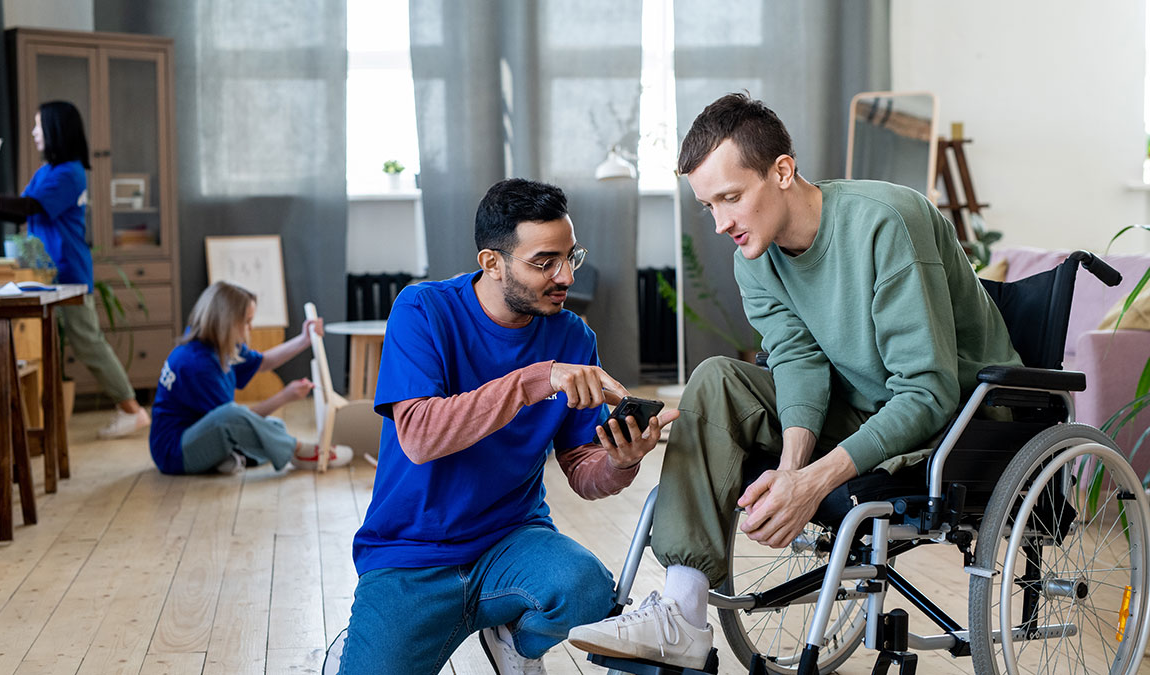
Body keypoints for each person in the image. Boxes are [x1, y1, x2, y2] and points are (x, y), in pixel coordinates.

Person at [567, 93, 1022, 668]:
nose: (721, 223)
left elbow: (927, 392)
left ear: (782, 171)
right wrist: (789, 471)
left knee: (841, 415)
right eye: (708, 205)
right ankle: (682, 616)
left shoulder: (887, 223)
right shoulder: (753, 257)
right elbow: (798, 363)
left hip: (960, 421)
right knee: (716, 379)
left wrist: (812, 483)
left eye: (731, 198)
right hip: (862, 405)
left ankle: (682, 616)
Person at [336, 178, 679, 675]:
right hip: (411, 556)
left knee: (586, 589)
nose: (564, 275)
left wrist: (620, 463)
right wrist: (537, 379)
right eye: (544, 262)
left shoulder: (574, 337)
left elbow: (582, 468)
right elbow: (419, 436)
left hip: (512, 539)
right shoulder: (422, 311)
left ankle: (514, 640)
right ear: (492, 263)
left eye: (570, 257)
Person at [0, 100, 151, 439]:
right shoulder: (46, 172)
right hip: (42, 274)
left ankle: (132, 409)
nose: (33, 132)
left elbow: (31, 206)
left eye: (38, 126)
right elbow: (18, 213)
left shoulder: (70, 173)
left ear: (56, 130)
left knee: (89, 342)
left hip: (68, 272)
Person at [149, 280, 348, 475]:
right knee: (255, 427)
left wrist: (303, 340)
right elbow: (232, 420)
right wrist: (285, 396)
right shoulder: (197, 365)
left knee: (274, 428)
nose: (251, 328)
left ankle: (232, 459)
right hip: (174, 454)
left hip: (197, 436)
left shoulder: (215, 344)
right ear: (226, 322)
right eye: (247, 322)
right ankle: (301, 451)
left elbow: (263, 362)